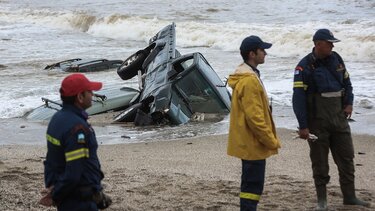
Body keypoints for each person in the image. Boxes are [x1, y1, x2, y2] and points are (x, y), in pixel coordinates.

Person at [292, 29, 370, 210]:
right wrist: (303, 126)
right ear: (318, 44)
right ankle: (322, 201)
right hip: (317, 123)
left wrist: (349, 103)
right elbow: (298, 98)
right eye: (329, 43)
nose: (333, 46)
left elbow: (347, 84)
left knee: (347, 158)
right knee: (319, 162)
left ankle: (350, 196)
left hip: (339, 119)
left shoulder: (337, 59)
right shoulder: (303, 67)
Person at [41, 73, 112, 210]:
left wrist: (51, 185)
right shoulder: (78, 128)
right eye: (89, 92)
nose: (92, 95)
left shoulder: (56, 119)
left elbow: (51, 160)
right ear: (80, 97)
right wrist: (55, 195)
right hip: (79, 201)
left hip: (69, 197)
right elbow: (74, 172)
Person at [227, 35, 281, 211]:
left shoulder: (246, 74)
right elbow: (255, 117)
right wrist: (271, 140)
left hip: (248, 140)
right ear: (252, 54)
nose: (265, 53)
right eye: (262, 50)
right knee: (253, 186)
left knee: (250, 184)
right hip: (253, 142)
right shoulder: (249, 80)